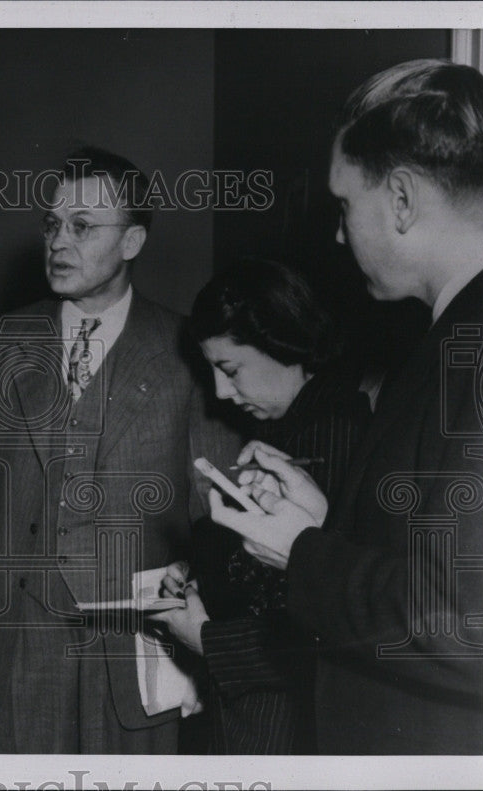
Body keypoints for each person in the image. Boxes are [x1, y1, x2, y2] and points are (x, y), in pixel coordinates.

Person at [208, 59, 483, 754]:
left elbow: (475, 618)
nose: (337, 235)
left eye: (343, 206)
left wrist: (301, 552)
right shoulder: (452, 337)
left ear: (399, 199)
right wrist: (324, 521)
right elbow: (437, 559)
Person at [0, 146, 239, 753]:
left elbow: (213, 490)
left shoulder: (185, 349)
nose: (59, 242)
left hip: (139, 638)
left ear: (131, 242)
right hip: (23, 636)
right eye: (52, 225)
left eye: (82, 227)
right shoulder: (2, 341)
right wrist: (24, 536)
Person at [152, 258, 371, 753]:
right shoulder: (297, 427)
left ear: (284, 343)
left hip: (284, 725)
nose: (221, 392)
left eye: (230, 370)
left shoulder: (329, 439)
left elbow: (322, 625)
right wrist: (200, 576)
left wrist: (206, 639)